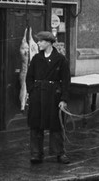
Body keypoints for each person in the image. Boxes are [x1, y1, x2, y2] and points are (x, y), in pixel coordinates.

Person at [26, 31, 71, 164]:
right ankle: (36, 153)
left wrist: (63, 99)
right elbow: (29, 77)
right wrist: (32, 91)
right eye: (38, 41)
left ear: (49, 42)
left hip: (54, 96)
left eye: (40, 41)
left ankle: (59, 153)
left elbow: (66, 81)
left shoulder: (61, 59)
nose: (38, 43)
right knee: (35, 125)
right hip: (37, 96)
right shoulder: (36, 59)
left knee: (55, 124)